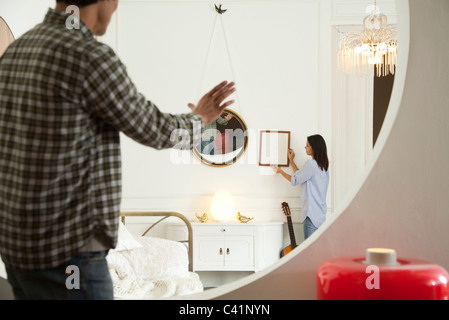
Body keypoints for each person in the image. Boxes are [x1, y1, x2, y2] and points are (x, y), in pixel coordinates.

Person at [0, 0, 235, 300]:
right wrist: (201, 118)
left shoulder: (16, 52)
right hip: (68, 255)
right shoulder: (88, 56)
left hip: (16, 252)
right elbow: (153, 128)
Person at [273, 135, 329, 240]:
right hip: (321, 215)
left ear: (314, 148)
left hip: (311, 215)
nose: (305, 147)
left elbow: (295, 180)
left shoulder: (311, 164)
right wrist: (291, 161)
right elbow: (300, 176)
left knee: (309, 251)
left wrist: (280, 171)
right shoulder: (323, 166)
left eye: (307, 145)